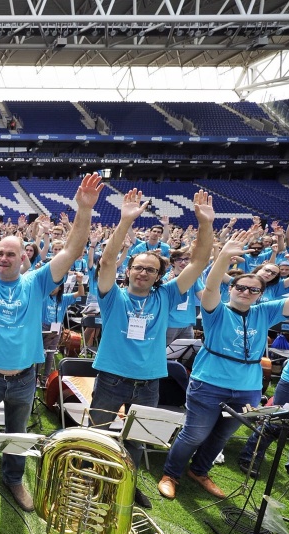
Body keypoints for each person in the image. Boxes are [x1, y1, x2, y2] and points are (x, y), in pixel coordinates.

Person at [0, 174, 102, 512]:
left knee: (18, 434)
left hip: (23, 378)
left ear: (23, 259)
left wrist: (84, 210)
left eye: (10, 254)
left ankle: (14, 477)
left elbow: (73, 249)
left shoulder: (36, 282)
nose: (3, 258)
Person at [90, 188, 214, 509]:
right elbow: (105, 261)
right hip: (111, 379)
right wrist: (125, 221)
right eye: (138, 267)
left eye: (151, 269)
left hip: (149, 383)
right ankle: (95, 482)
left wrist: (205, 224)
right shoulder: (112, 296)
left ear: (159, 276)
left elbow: (199, 261)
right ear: (128, 270)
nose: (143, 272)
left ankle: (127, 486)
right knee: (99, 435)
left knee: (137, 442)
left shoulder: (167, 295)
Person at [158, 231, 289, 500]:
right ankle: (171, 474)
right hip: (209, 383)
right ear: (230, 289)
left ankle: (200, 471)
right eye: (240, 287)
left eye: (254, 290)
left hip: (248, 389)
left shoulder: (264, 311)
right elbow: (210, 287)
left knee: (221, 437)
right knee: (194, 434)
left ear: (260, 294)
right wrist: (222, 256)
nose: (246, 292)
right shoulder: (217, 310)